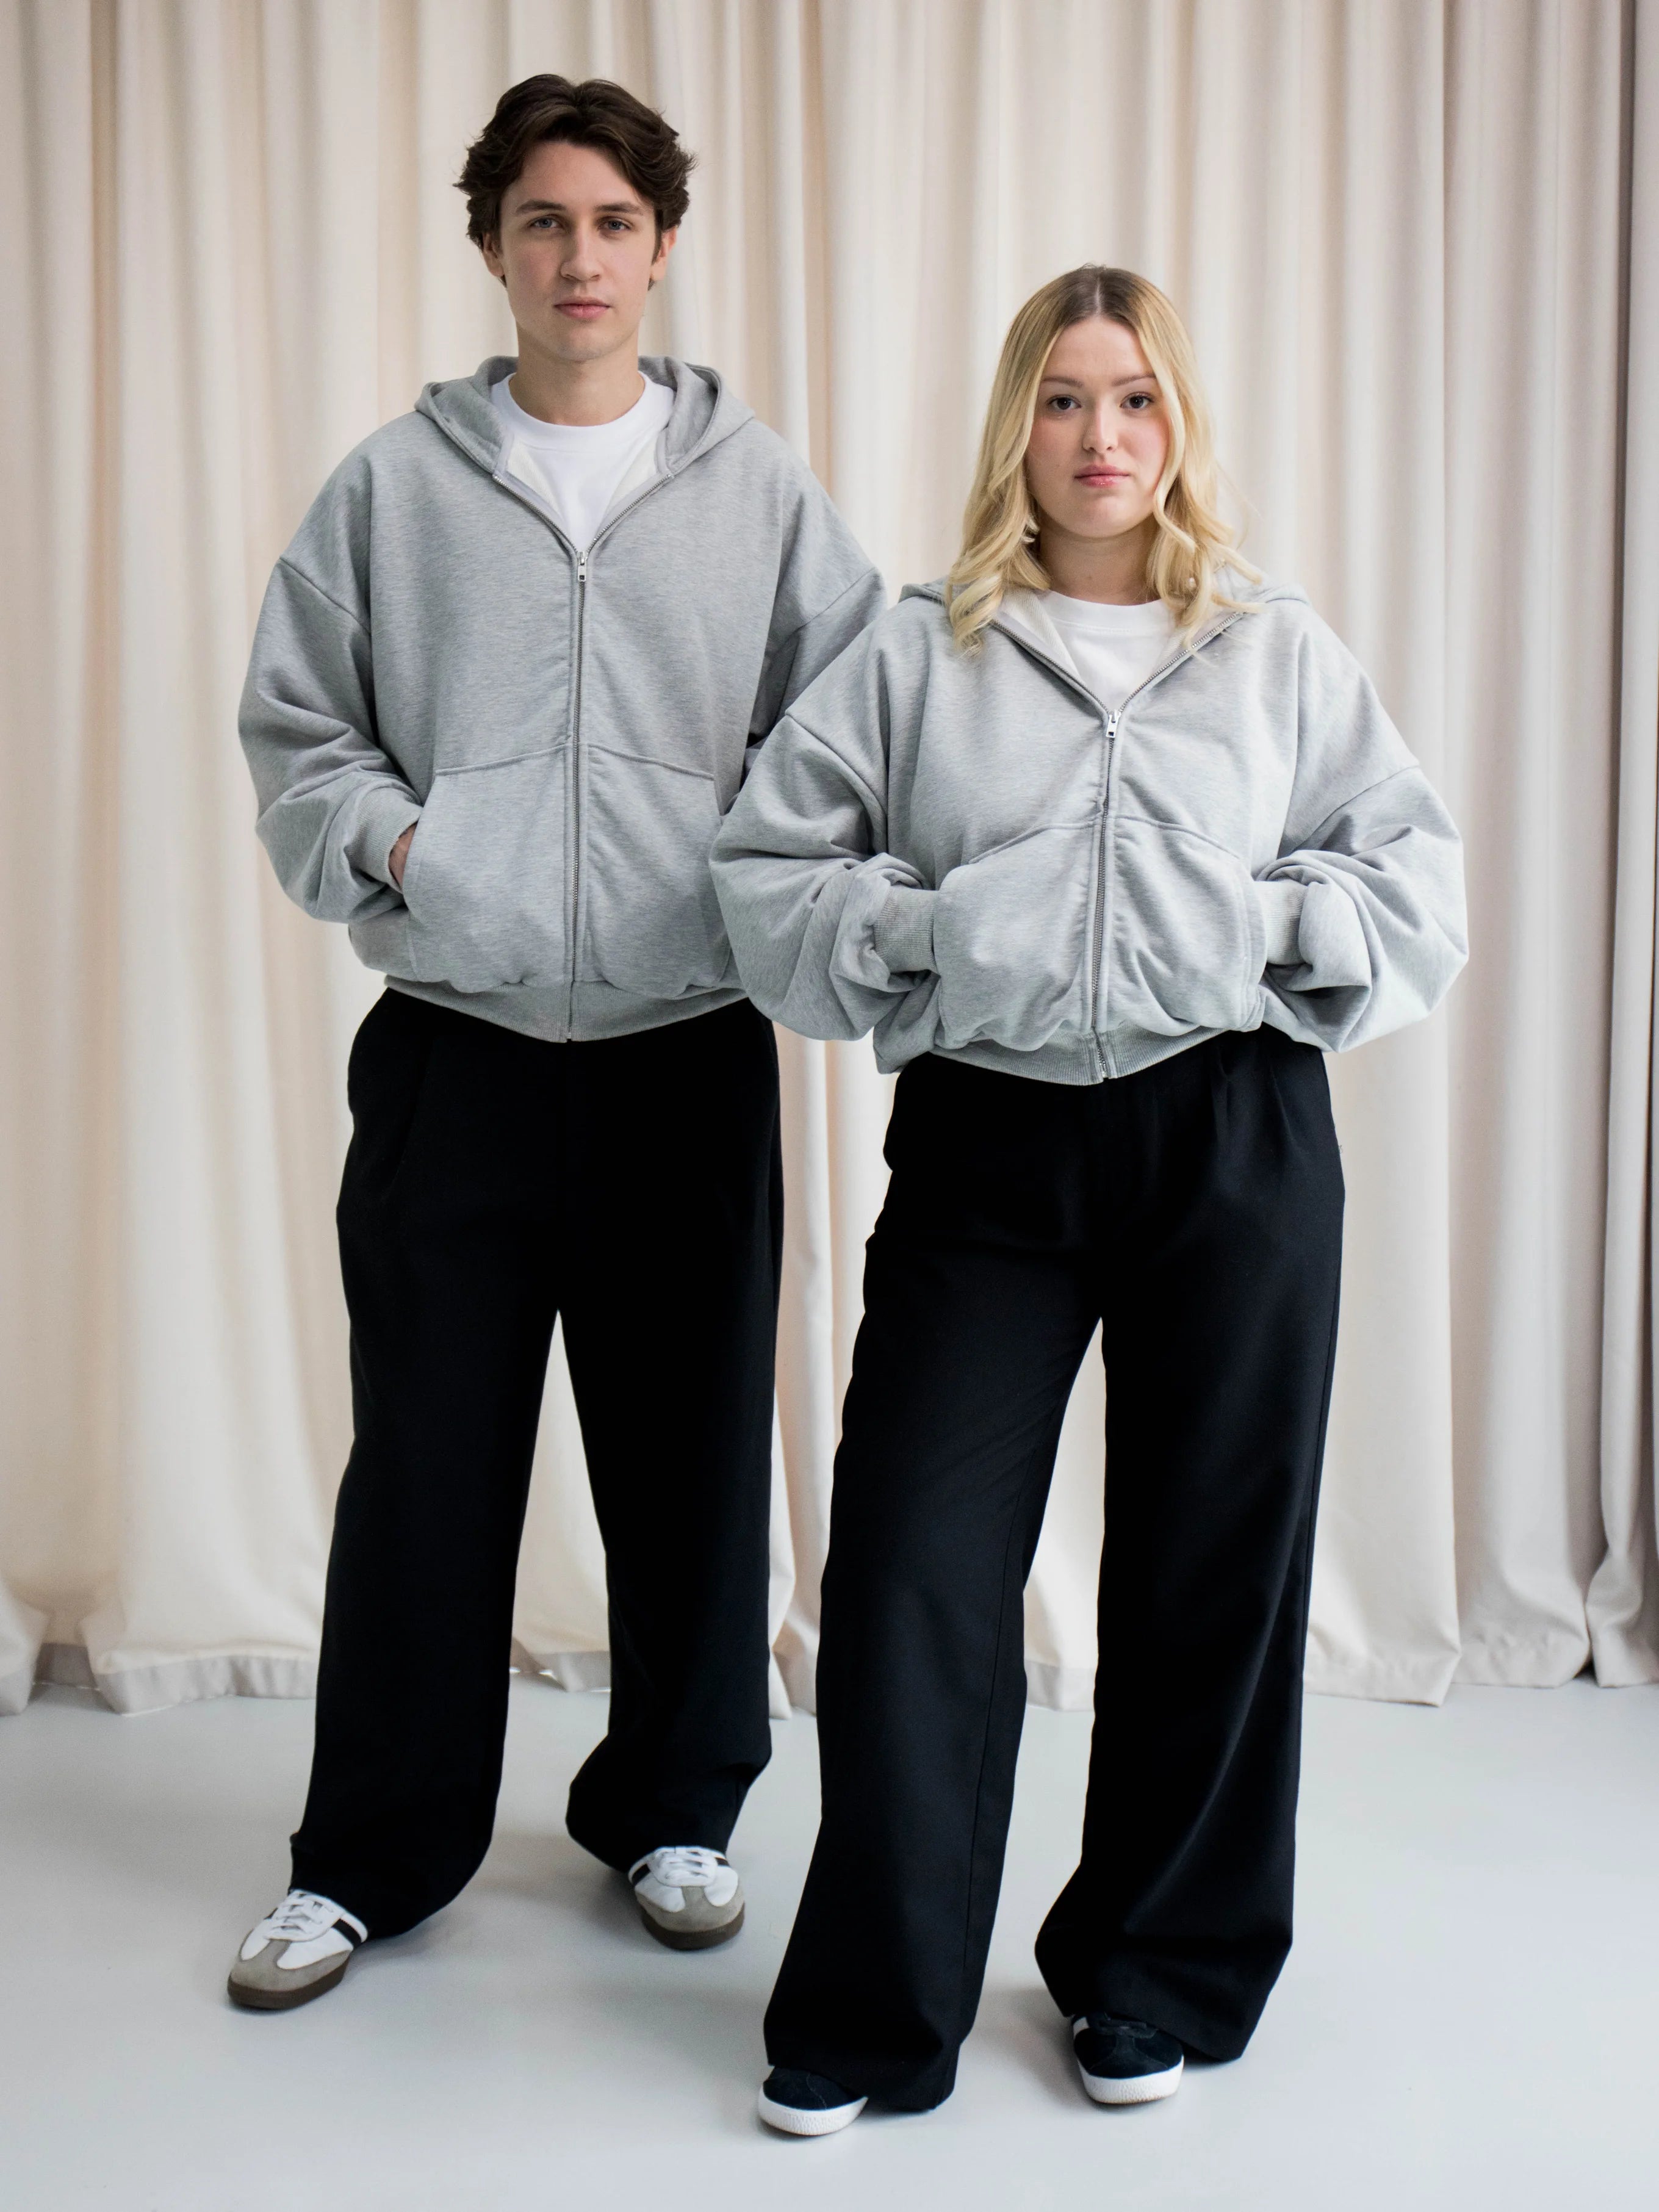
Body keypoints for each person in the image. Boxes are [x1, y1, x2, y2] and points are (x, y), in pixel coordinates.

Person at [711, 264, 1467, 2134]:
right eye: (1062, 400)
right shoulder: (924, 651)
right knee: (913, 1559)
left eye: (1133, 398)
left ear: (1177, 422)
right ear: (1016, 431)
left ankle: (1155, 1970)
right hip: (994, 1140)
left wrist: (1258, 924)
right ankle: (875, 2006)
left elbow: (1415, 891)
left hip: (1235, 1133)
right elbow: (769, 876)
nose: (1100, 436)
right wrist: (940, 937)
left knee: (1217, 1560)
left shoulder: (1272, 647)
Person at [228, 74, 882, 2011]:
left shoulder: (757, 491)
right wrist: (412, 850)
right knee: (426, 1469)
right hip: (460, 1049)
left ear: (661, 247)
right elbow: (299, 730)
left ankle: (676, 1807)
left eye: (612, 222)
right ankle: (366, 1855)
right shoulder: (395, 487)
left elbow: (851, 730)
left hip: (689, 1048)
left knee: (692, 1458)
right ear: (493, 247)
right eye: (543, 221)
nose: (579, 256)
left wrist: (744, 877)